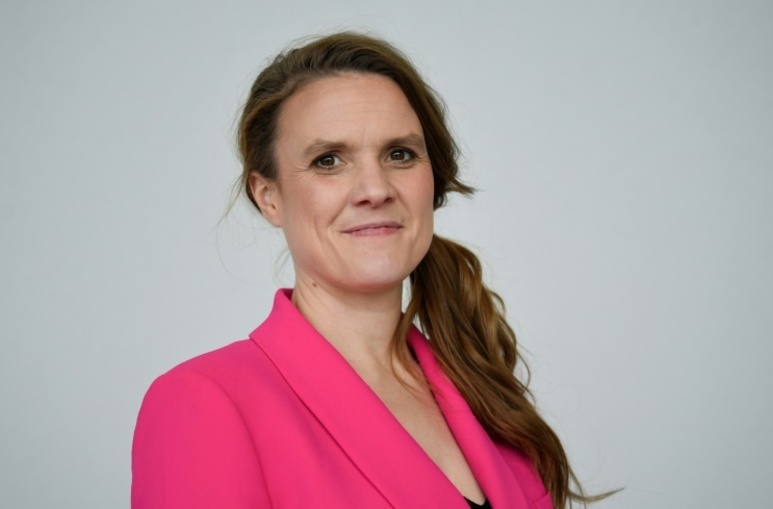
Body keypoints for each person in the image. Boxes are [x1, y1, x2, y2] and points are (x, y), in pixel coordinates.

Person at [132, 32, 601, 509]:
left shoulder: (484, 390)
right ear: (268, 196)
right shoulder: (205, 403)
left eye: (400, 154)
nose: (375, 189)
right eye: (328, 161)